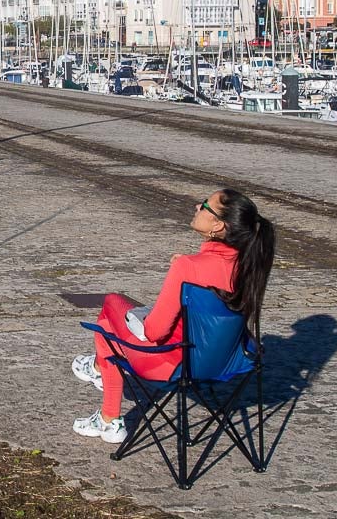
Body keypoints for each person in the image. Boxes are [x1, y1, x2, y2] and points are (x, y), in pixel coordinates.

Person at [71, 189, 276, 443]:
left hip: (176, 367)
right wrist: (192, 264)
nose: (196, 207)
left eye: (204, 206)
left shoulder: (187, 267)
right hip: (228, 363)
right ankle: (104, 404)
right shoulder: (249, 265)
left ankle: (105, 399)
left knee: (109, 312)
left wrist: (183, 270)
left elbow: (154, 333)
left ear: (217, 225)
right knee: (112, 327)